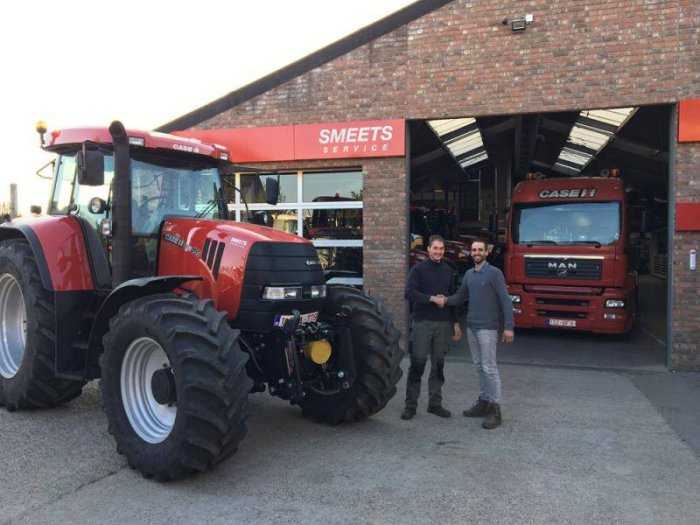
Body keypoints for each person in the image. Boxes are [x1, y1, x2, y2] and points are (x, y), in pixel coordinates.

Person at [435, 240, 514, 429]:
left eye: (480, 250)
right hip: (472, 327)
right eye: (473, 250)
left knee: (489, 367)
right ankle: (484, 402)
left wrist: (509, 327)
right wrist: (444, 300)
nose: (476, 252)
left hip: (488, 328)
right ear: (470, 253)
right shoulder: (469, 274)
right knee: (479, 366)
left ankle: (495, 409)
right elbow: (460, 297)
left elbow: (505, 300)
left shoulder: (494, 273)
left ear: (486, 252)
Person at [402, 234, 462, 420]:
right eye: (435, 248)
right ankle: (410, 406)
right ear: (428, 249)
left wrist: (456, 323)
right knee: (417, 365)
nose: (438, 252)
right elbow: (409, 293)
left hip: (443, 324)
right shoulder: (418, 270)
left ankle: (435, 404)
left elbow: (453, 298)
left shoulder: (449, 270)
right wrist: (431, 299)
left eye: (441, 249)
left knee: (438, 366)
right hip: (422, 322)